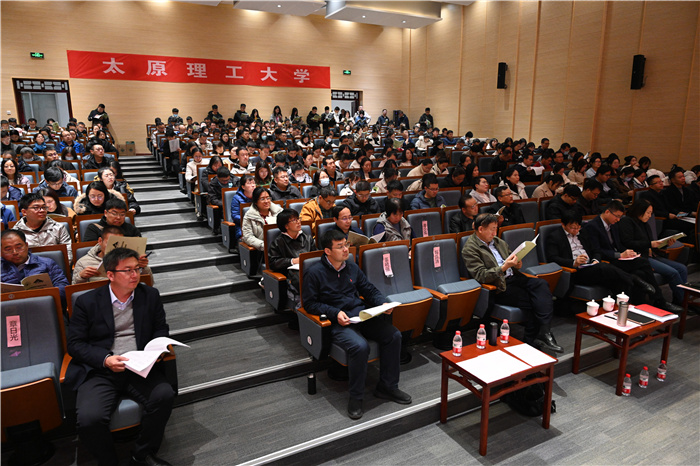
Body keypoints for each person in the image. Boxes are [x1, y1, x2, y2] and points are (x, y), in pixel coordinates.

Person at [67, 248, 174, 466]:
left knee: (164, 395)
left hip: (139, 367)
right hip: (102, 369)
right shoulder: (87, 302)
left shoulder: (149, 295)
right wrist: (105, 359)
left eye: (137, 269)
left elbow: (160, 328)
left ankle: (142, 454)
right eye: (127, 270)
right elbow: (75, 344)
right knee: (89, 419)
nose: (135, 275)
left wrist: (156, 349)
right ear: (110, 275)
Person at [302, 229, 410, 420]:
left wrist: (382, 303)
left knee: (393, 335)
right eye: (340, 246)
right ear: (327, 251)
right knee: (360, 347)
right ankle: (356, 397)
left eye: (346, 244)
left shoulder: (351, 267)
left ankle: (387, 386)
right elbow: (310, 304)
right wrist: (335, 313)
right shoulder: (314, 273)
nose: (346, 249)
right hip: (337, 322)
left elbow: (368, 289)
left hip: (360, 315)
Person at [462, 213, 563, 353]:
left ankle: (544, 332)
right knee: (534, 301)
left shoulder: (498, 242)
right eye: (492, 229)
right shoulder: (470, 248)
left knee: (541, 284)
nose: (494, 233)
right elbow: (481, 275)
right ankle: (534, 339)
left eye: (496, 229)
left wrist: (517, 264)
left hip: (514, 277)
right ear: (480, 229)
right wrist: (504, 267)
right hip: (499, 286)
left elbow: (512, 258)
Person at [581, 200, 682, 313]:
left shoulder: (614, 225)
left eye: (620, 217)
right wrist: (619, 254)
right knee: (643, 263)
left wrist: (627, 253)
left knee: (640, 271)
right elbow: (597, 250)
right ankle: (659, 301)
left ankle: (640, 308)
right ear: (608, 212)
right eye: (617, 216)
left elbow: (619, 244)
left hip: (619, 258)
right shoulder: (592, 226)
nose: (618, 219)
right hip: (608, 261)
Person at [545, 210, 657, 304]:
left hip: (592, 267)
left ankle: (627, 309)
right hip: (576, 272)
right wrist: (574, 262)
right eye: (572, 228)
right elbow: (553, 258)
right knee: (604, 267)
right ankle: (633, 279)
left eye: (578, 227)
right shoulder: (555, 237)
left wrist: (595, 260)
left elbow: (596, 250)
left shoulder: (582, 233)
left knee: (619, 280)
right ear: (563, 225)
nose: (576, 230)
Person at [618, 199, 688, 305]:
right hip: (641, 257)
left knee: (682, 268)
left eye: (651, 213)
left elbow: (652, 244)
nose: (650, 216)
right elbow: (628, 243)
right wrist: (650, 244)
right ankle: (684, 303)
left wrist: (665, 244)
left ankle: (679, 300)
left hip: (653, 255)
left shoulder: (645, 224)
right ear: (639, 211)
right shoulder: (627, 222)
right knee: (673, 272)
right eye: (648, 213)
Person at [1, 229, 69, 304]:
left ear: (26, 246)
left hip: (43, 306)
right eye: (8, 249)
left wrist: (44, 295)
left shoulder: (47, 263)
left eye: (19, 247)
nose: (15, 252)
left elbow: (63, 288)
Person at [268, 209, 317, 310]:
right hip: (291, 273)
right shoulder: (278, 242)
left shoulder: (307, 238)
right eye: (294, 220)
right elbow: (273, 263)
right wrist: (292, 261)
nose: (298, 222)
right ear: (286, 226)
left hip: (310, 269)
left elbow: (316, 255)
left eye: (298, 219)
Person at [73, 225, 151, 285]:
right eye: (110, 243)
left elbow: (149, 283)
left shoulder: (130, 260)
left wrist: (142, 267)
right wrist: (81, 277)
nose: (114, 248)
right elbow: (75, 292)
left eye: (118, 244)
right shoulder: (83, 262)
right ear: (100, 241)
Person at [12, 192, 72, 260]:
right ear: (24, 212)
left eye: (44, 207)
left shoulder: (58, 227)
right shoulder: (16, 232)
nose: (42, 210)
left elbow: (68, 253)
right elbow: (16, 257)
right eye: (36, 208)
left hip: (56, 265)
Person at [241, 187, 282, 251]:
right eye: (262, 199)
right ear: (255, 202)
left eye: (268, 198)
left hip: (281, 246)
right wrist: (264, 245)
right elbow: (248, 237)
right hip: (262, 249)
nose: (266, 201)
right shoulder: (249, 216)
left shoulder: (279, 212)